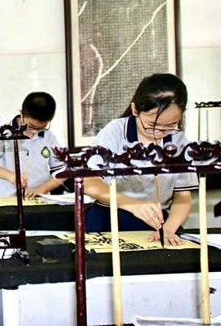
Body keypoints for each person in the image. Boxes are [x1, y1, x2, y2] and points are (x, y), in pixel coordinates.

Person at [84, 73, 198, 246]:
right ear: (135, 109)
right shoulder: (115, 132)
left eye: (169, 125)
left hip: (157, 223)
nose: (159, 132)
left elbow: (182, 195)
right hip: (109, 218)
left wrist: (169, 228)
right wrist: (132, 205)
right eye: (152, 125)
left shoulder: (177, 140)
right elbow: (89, 182)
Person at [0, 92, 66, 198]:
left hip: (40, 200)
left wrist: (41, 189)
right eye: (31, 126)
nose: (34, 132)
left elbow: (63, 171)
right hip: (8, 199)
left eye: (41, 128)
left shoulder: (49, 137)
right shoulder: (5, 133)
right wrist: (11, 176)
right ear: (21, 113)